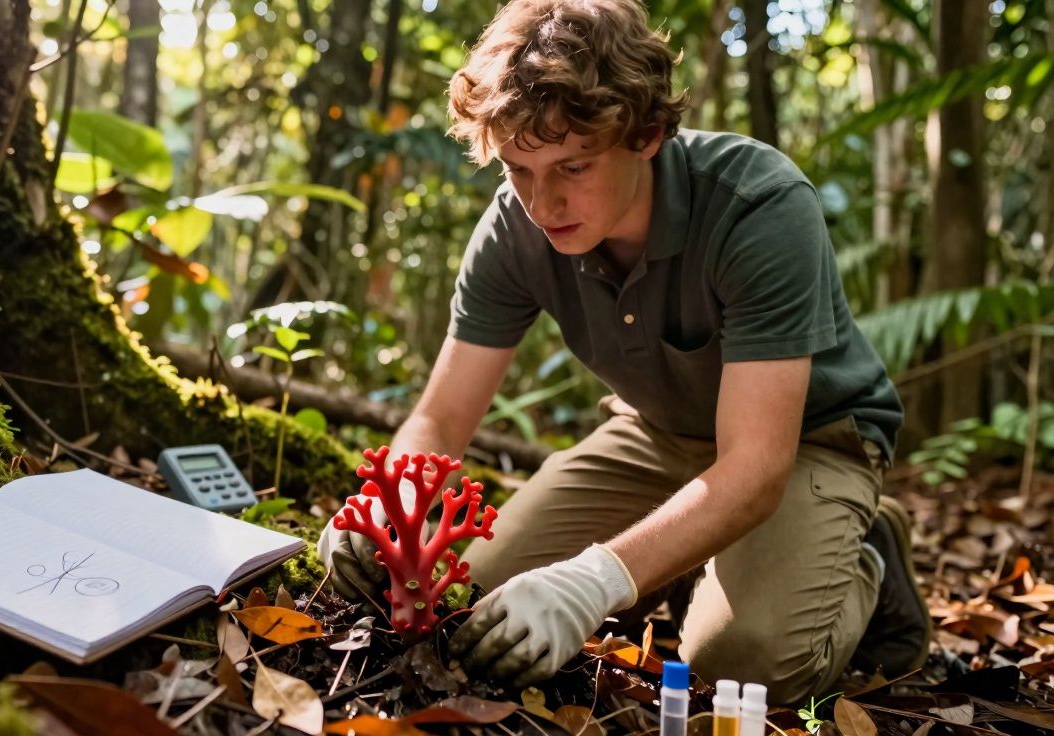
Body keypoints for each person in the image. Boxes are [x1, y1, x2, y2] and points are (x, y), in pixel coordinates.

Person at [317, 0, 930, 704]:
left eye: (573, 166)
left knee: (741, 664)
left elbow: (758, 466)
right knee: (479, 606)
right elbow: (441, 419)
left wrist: (596, 579)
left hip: (808, 444)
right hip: (655, 435)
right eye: (519, 168)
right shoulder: (512, 229)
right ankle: (677, 566)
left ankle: (867, 560)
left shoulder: (757, 204)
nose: (543, 203)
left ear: (647, 134)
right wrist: (383, 503)